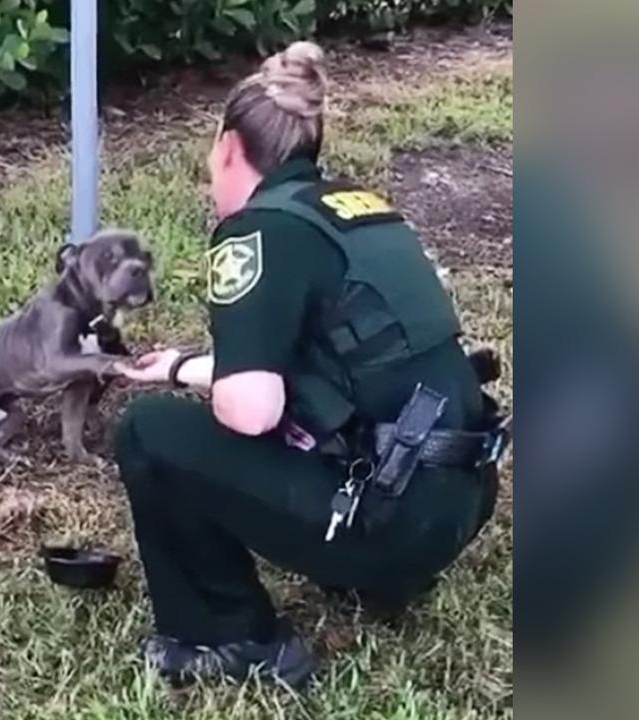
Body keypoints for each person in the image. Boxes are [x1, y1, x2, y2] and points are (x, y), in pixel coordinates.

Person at [113, 41, 508, 688]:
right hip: (458, 503)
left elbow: (252, 408)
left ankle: (232, 636)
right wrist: (183, 365)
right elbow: (336, 370)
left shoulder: (253, 233)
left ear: (230, 147)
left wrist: (204, 392)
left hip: (388, 525)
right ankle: (380, 572)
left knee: (148, 433)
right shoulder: (357, 211)